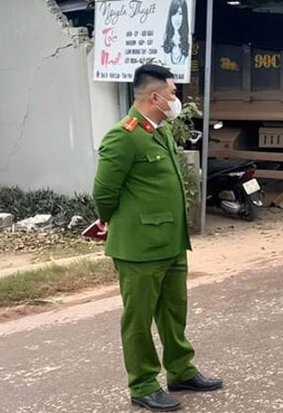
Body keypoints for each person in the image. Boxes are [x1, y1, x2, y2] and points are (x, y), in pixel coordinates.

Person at [93, 64, 222, 412]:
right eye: (173, 93)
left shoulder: (158, 130)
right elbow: (104, 192)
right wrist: (111, 221)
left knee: (173, 312)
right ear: (154, 96)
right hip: (139, 248)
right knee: (138, 320)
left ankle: (181, 370)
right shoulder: (124, 135)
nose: (176, 98)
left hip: (171, 241)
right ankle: (143, 384)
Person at [163, 0, 190, 65]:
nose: (177, 18)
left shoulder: (187, 41)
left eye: (180, 14)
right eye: (174, 14)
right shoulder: (165, 39)